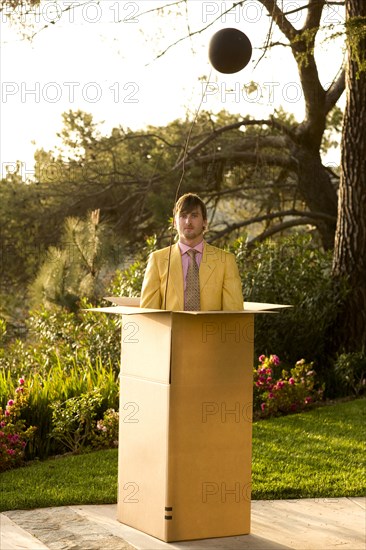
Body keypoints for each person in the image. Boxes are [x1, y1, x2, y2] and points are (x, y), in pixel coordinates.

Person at [140, 193, 244, 311]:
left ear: (205, 222)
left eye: (194, 216)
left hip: (210, 329)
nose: (188, 221)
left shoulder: (226, 261)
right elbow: (148, 313)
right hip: (172, 329)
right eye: (183, 216)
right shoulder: (157, 260)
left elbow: (234, 314)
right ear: (174, 223)